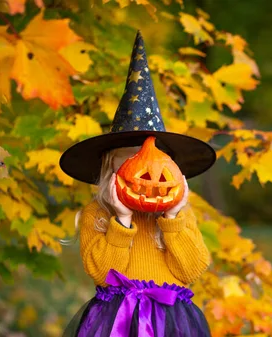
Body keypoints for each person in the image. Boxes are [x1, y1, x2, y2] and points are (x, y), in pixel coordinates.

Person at [59, 31, 216, 337]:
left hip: (171, 318)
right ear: (109, 168)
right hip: (117, 318)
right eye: (129, 160)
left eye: (154, 163)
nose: (145, 172)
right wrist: (123, 220)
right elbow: (103, 274)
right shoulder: (98, 213)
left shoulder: (181, 217)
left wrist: (173, 218)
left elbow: (192, 269)